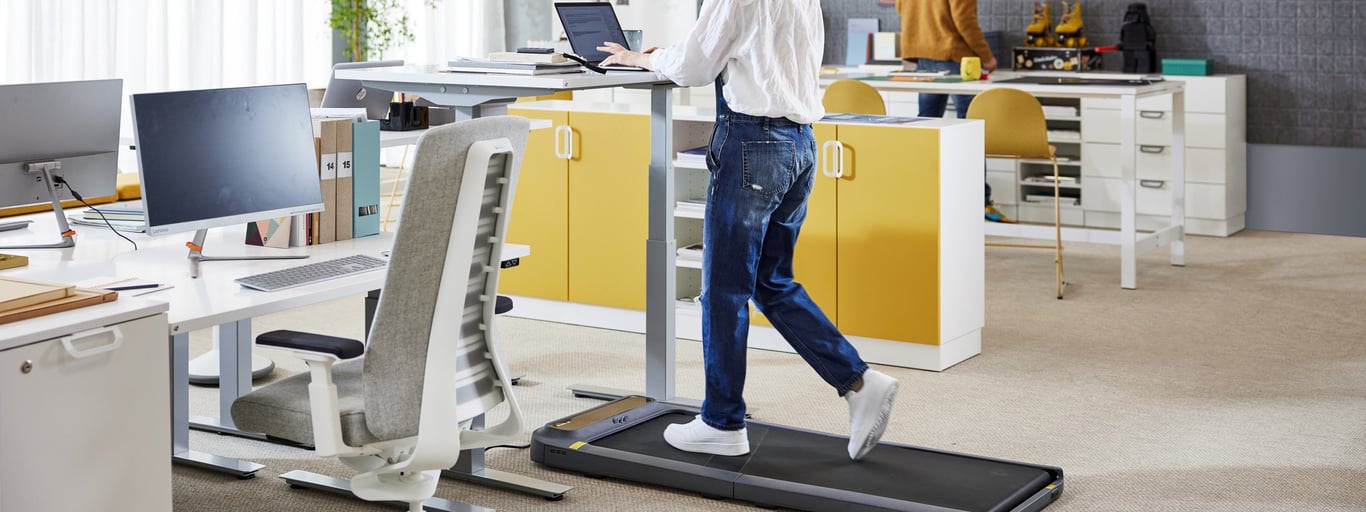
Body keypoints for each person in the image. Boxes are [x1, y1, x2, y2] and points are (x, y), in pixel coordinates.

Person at [599, 0, 900, 461]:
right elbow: (753, 49)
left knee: (724, 290)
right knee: (770, 281)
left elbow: (695, 67)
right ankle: (859, 381)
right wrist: (672, 52)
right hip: (799, 144)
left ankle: (722, 421)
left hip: (753, 143)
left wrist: (644, 57)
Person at [896, 0, 1014, 222]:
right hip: (956, 58)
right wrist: (986, 56)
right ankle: (979, 203)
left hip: (924, 57)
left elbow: (901, 7)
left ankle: (924, 198)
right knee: (971, 130)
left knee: (925, 128)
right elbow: (965, 20)